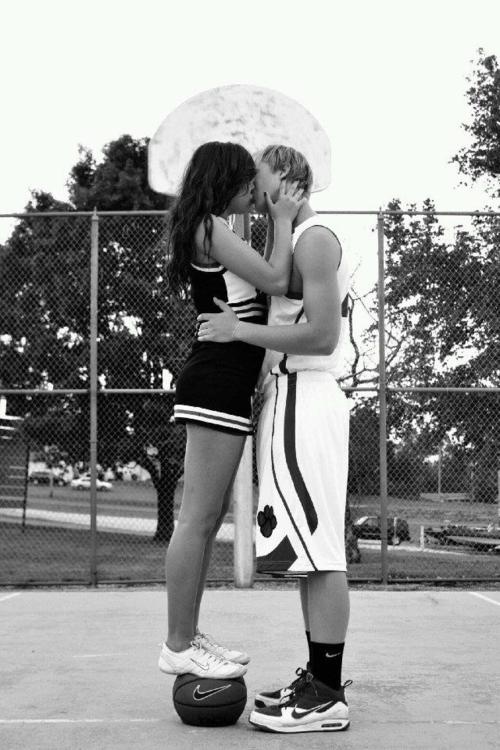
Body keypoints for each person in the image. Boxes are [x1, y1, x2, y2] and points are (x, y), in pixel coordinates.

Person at [197, 144, 352, 733]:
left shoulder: (315, 238)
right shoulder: (292, 235)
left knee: (323, 551)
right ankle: (318, 679)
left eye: (262, 186)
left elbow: (321, 337)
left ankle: (329, 694)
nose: (258, 199)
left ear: (290, 179)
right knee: (308, 554)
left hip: (308, 395)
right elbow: (285, 306)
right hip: (288, 397)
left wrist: (240, 329)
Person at [158, 141, 305, 681]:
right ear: (225, 180)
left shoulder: (220, 227)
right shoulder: (212, 227)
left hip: (227, 380)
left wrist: (274, 224)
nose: (254, 190)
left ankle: (187, 636)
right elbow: (275, 280)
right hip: (216, 381)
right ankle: (177, 642)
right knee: (196, 519)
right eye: (247, 181)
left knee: (208, 517)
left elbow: (263, 280)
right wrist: (285, 219)